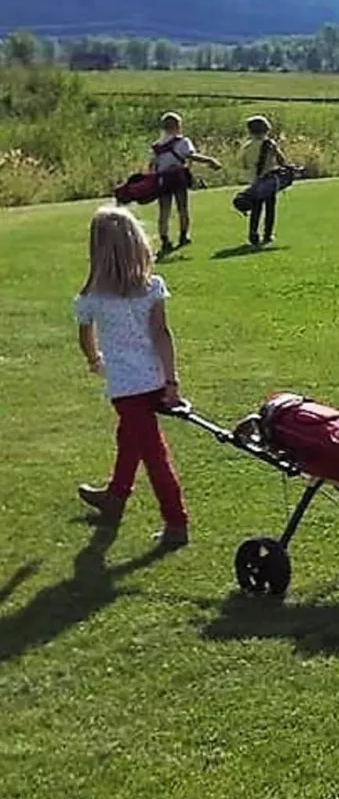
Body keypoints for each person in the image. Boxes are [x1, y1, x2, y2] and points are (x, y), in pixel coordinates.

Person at [73, 206, 190, 549]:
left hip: (126, 388)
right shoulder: (151, 287)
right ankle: (115, 496)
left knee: (154, 453)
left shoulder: (93, 296)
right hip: (153, 380)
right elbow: (162, 335)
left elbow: (85, 336)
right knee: (129, 438)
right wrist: (170, 382)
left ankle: (176, 522)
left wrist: (94, 359)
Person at [149, 112, 221, 255]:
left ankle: (165, 239)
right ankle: (183, 235)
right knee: (182, 208)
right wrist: (210, 161)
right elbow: (190, 156)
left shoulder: (156, 146)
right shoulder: (182, 141)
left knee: (164, 211)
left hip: (162, 180)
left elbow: (152, 165)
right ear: (177, 126)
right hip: (178, 179)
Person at [243, 115, 291, 247]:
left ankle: (253, 234)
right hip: (269, 180)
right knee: (270, 208)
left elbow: (244, 163)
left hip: (254, 181)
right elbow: (281, 160)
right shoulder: (270, 144)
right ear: (266, 129)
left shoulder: (247, 146)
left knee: (256, 209)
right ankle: (267, 234)